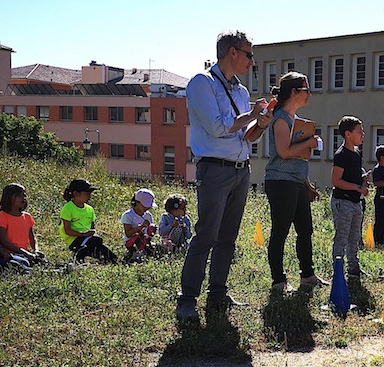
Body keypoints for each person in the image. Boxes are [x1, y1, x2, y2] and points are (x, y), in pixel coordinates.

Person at [176, 30, 272, 321]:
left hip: (241, 170)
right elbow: (218, 128)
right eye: (249, 54)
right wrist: (252, 114)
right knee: (206, 234)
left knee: (227, 237)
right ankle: (188, 299)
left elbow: (245, 136)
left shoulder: (241, 91)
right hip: (214, 170)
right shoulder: (201, 83)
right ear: (232, 52)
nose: (252, 61)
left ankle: (218, 292)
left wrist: (262, 123)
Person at [264, 71, 325, 293]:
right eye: (306, 89)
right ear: (294, 92)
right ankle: (278, 281)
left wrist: (306, 184)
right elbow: (284, 152)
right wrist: (310, 142)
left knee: (305, 229)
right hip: (280, 182)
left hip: (296, 182)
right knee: (280, 231)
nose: (310, 94)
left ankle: (308, 275)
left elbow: (297, 157)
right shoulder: (280, 118)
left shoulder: (294, 120)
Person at [330, 115, 369, 278]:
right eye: (359, 131)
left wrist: (364, 179)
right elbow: (336, 180)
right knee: (342, 237)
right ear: (348, 134)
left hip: (355, 201)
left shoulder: (356, 152)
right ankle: (338, 269)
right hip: (343, 201)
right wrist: (357, 188)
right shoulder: (341, 154)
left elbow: (354, 174)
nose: (363, 134)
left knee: (355, 237)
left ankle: (353, 268)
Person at [60, 179, 117, 264]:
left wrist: (91, 233)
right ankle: (78, 257)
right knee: (95, 241)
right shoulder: (67, 208)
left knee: (112, 257)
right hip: (73, 240)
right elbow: (67, 231)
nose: (89, 196)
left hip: (88, 238)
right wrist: (83, 234)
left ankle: (103, 260)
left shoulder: (90, 209)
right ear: (76, 194)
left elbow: (92, 227)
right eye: (87, 194)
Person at [0, 182, 44, 265]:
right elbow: (4, 242)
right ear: (9, 197)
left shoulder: (27, 216)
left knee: (41, 259)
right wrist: (24, 253)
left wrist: (36, 250)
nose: (23, 198)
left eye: (24, 196)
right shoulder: (1, 217)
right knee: (23, 263)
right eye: (19, 196)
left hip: (25, 253)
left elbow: (32, 238)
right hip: (10, 254)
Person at [121, 188, 158, 262]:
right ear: (137, 203)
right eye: (145, 206)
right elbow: (128, 234)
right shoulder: (128, 215)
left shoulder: (148, 215)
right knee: (141, 235)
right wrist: (141, 227)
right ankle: (136, 253)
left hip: (145, 240)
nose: (147, 208)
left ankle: (146, 249)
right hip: (132, 242)